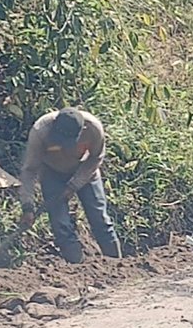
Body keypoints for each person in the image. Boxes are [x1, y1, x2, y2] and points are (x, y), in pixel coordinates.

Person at [18, 107, 122, 263]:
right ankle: (77, 267)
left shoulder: (93, 129)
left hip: (85, 171)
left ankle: (118, 265)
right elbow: (29, 170)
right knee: (61, 226)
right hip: (52, 173)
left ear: (82, 131)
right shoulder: (40, 132)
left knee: (100, 219)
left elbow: (95, 158)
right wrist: (27, 207)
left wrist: (74, 185)